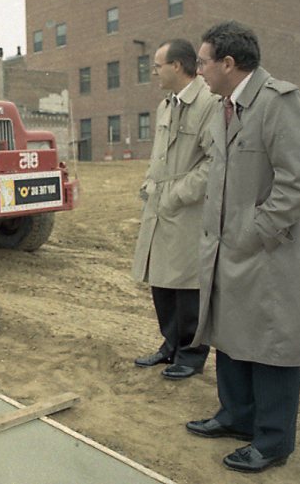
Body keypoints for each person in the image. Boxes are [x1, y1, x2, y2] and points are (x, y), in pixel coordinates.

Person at [186, 21, 300, 473]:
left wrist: (256, 230)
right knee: (230, 335)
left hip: (269, 253)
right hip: (229, 251)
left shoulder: (279, 103)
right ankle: (237, 416)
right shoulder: (226, 106)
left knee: (271, 345)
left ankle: (272, 441)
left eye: (203, 62)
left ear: (228, 63)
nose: (198, 71)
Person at [130, 39, 216, 380]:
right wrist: (150, 185)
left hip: (188, 209)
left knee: (188, 285)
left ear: (177, 66)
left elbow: (215, 162)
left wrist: (177, 194)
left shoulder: (209, 103)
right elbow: (160, 155)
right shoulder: (165, 105)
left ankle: (191, 355)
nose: (154, 72)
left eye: (157, 65)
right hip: (160, 206)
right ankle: (170, 346)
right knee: (162, 281)